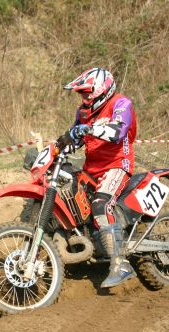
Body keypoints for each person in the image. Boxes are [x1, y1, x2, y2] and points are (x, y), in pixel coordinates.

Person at [56, 67, 137, 288]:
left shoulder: (121, 104)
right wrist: (58, 146)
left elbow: (119, 131)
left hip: (117, 165)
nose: (83, 98)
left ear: (101, 91)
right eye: (81, 94)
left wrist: (88, 129)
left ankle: (120, 264)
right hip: (92, 168)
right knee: (74, 202)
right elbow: (74, 139)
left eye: (86, 93)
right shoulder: (83, 112)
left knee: (101, 204)